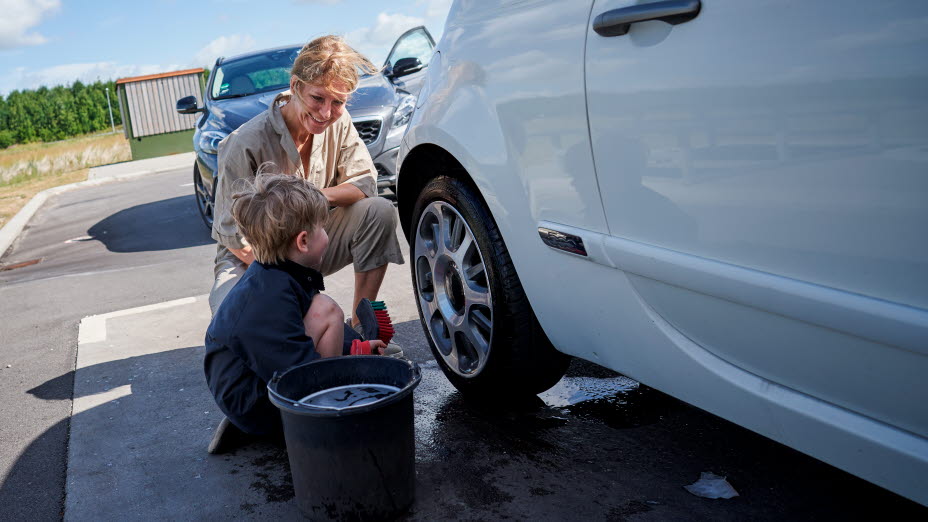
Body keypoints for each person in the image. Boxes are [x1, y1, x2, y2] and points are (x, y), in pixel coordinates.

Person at [209, 35, 404, 329]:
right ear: (295, 86)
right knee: (232, 322)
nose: (326, 113)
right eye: (317, 98)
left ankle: (362, 329)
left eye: (337, 102)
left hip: (313, 239)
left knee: (379, 211)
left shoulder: (340, 121)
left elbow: (364, 185)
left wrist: (312, 197)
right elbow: (233, 238)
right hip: (255, 258)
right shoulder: (243, 143)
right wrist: (294, 285)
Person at [204, 171, 388, 454]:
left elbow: (299, 335)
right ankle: (316, 418)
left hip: (253, 383)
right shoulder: (267, 300)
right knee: (326, 310)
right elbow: (295, 371)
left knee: (321, 309)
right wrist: (344, 377)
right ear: (303, 242)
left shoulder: (278, 273)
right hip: (251, 402)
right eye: (323, 228)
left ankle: (286, 415)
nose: (327, 236)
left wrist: (356, 349)